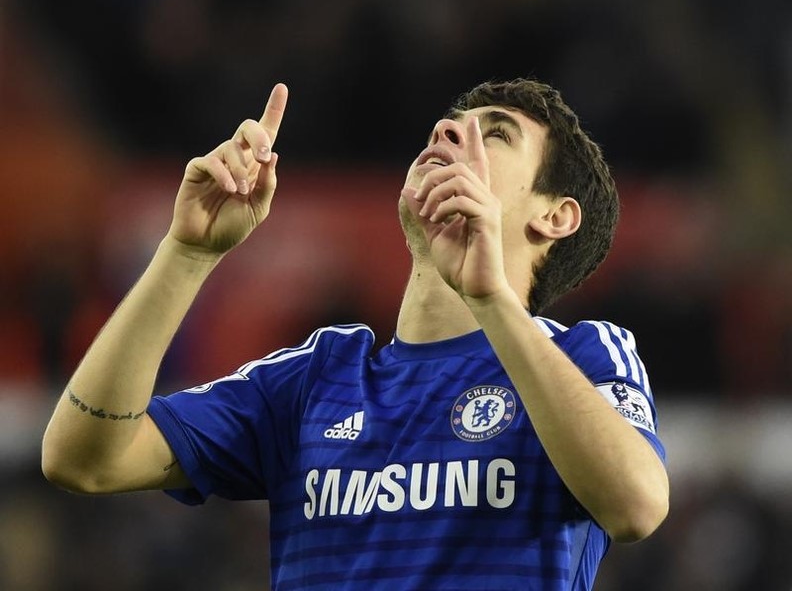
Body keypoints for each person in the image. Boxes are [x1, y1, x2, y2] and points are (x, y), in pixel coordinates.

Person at [42, 79, 669, 590]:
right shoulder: (314, 378)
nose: (448, 132)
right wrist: (186, 252)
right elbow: (83, 459)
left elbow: (636, 505)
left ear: (553, 216)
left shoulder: (583, 355)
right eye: (449, 124)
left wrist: (492, 302)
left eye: (495, 134)